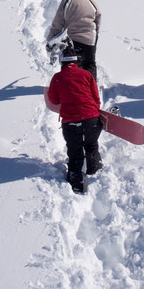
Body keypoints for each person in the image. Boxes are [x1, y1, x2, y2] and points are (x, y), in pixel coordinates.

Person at [46, 50, 103, 194]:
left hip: (71, 121)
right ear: (76, 61)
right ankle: (94, 169)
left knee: (75, 150)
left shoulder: (57, 78)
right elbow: (96, 98)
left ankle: (76, 182)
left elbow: (53, 100)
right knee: (91, 144)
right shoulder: (86, 74)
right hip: (92, 119)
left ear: (62, 61)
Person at [46, 0, 101, 80]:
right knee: (90, 64)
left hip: (74, 41)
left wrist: (50, 41)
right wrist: (94, 38)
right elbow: (97, 22)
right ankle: (92, 90)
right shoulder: (92, 3)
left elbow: (57, 24)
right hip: (90, 41)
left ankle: (74, 90)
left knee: (74, 68)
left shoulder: (67, 1)